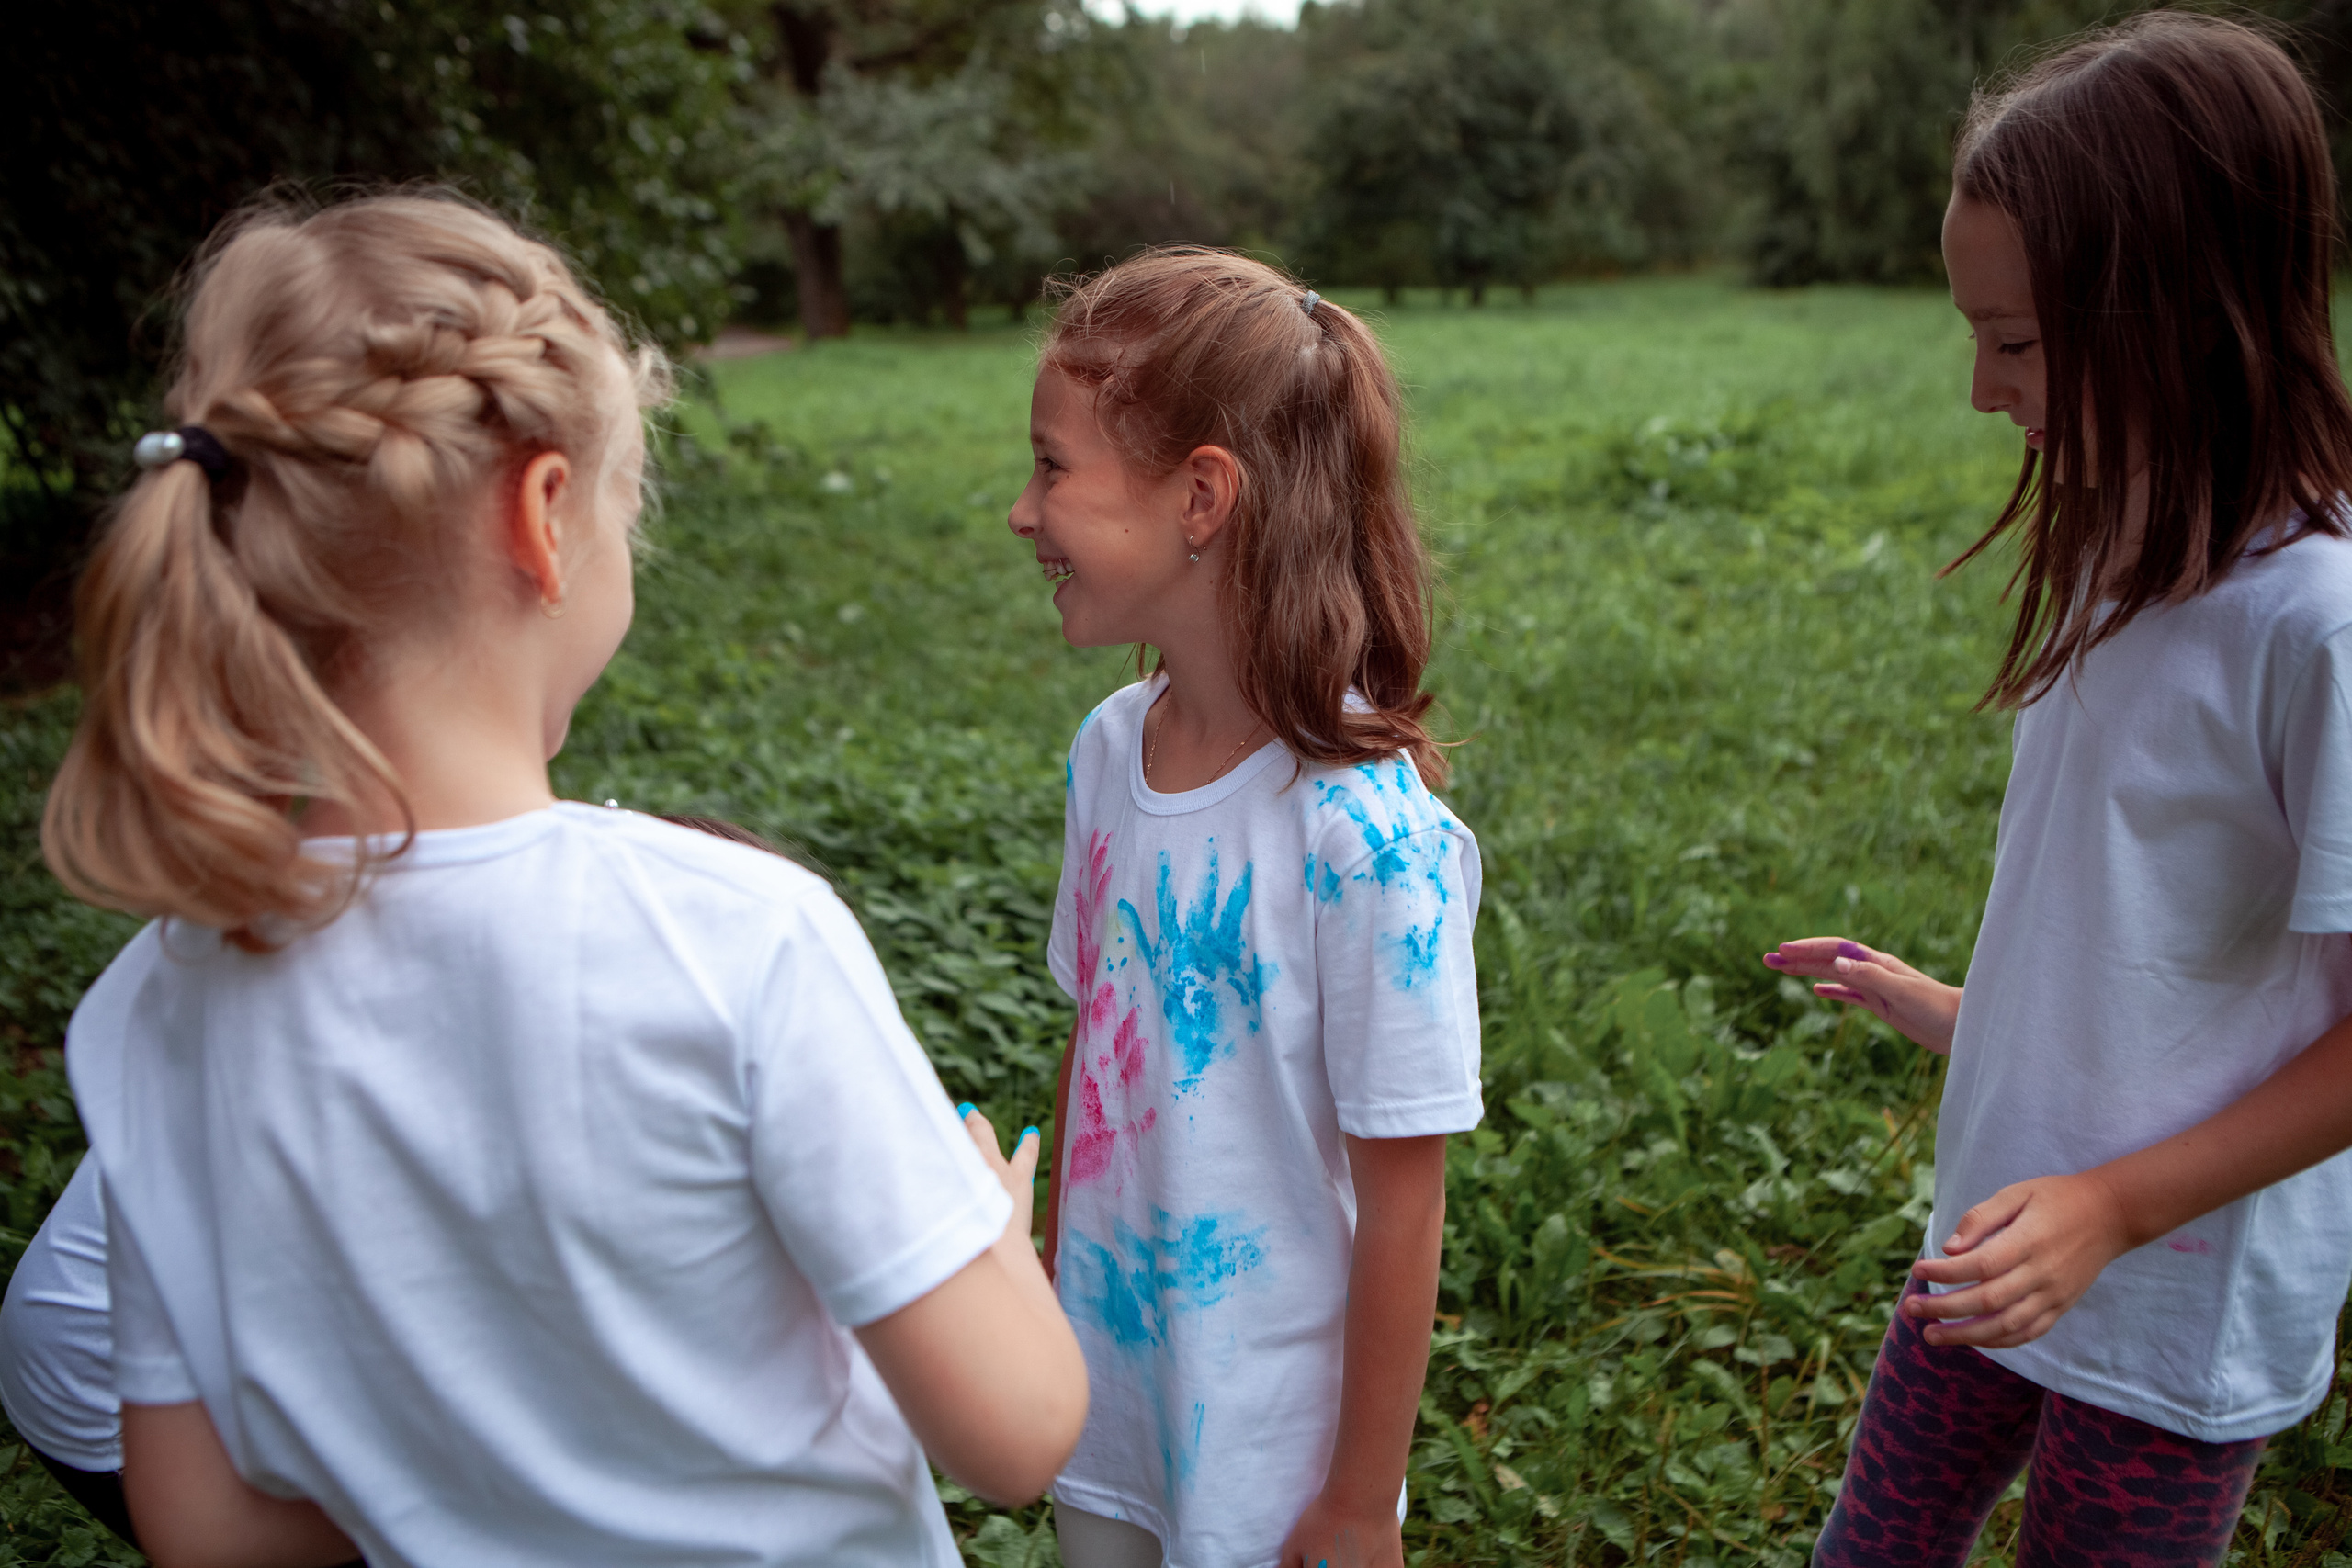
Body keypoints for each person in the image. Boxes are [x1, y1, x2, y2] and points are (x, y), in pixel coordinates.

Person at [39, 193, 1085, 1568]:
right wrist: (995, 1239)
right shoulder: (737, 937)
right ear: (542, 515)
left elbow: (206, 1529)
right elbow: (1017, 1433)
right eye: (624, 500)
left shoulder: (150, 1011)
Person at [1764, 16, 2352, 1567]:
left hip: (2167, 1316)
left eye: (2014, 341)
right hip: (2001, 1243)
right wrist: (1972, 1013)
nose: (1980, 391)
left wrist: (2115, 1211)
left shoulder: (2320, 625)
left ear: (2184, 305)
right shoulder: (2120, 549)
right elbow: (2158, 956)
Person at [1008, 249, 1483, 1568]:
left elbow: (1405, 1204)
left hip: (1274, 1457)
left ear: (1202, 497)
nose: (1019, 511)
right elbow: (1093, 1053)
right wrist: (1051, 1314)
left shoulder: (1368, 840)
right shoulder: (1110, 750)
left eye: (1053, 468)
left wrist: (1355, 1501)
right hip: (1109, 1405)